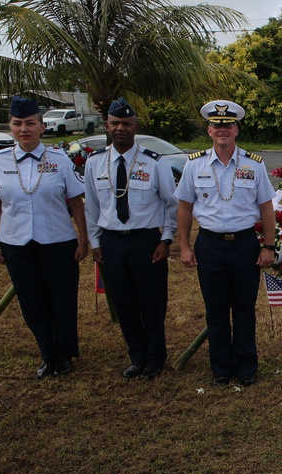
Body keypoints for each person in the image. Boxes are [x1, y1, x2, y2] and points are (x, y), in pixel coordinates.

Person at [0, 95, 89, 378]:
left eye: (30, 123)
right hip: (16, 243)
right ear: (10, 128)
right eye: (17, 124)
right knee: (31, 302)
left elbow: (76, 201)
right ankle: (47, 354)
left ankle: (64, 355)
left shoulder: (60, 160)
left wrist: (83, 239)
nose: (23, 129)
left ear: (42, 127)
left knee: (62, 300)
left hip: (57, 242)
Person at [175, 100, 276, 387]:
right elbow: (184, 207)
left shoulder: (253, 165)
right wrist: (184, 246)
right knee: (216, 310)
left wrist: (268, 246)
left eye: (228, 125)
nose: (223, 130)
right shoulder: (194, 164)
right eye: (217, 126)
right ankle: (220, 367)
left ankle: (246, 366)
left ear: (236, 130)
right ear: (209, 131)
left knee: (244, 309)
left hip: (244, 244)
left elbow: (266, 207)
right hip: (209, 244)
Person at [83, 98, 178, 380]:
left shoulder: (154, 163)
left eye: (126, 123)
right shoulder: (94, 162)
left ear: (136, 126)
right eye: (115, 123)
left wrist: (167, 239)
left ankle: (155, 357)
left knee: (151, 302)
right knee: (123, 303)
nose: (121, 128)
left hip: (146, 241)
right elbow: (92, 206)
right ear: (107, 127)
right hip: (111, 243)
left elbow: (171, 204)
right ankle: (137, 357)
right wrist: (96, 242)